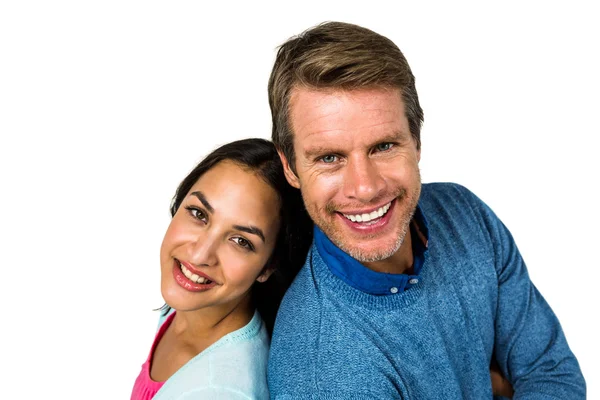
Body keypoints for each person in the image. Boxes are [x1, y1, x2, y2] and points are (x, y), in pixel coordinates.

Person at [267, 22, 586, 399]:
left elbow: (554, 374)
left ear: (416, 142)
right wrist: (500, 386)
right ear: (290, 168)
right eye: (330, 157)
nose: (365, 187)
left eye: (383, 146)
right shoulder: (321, 372)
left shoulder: (463, 214)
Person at [130, 138, 312, 399]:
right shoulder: (189, 306)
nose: (200, 254)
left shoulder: (219, 391)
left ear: (268, 266)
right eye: (199, 214)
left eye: (241, 241)